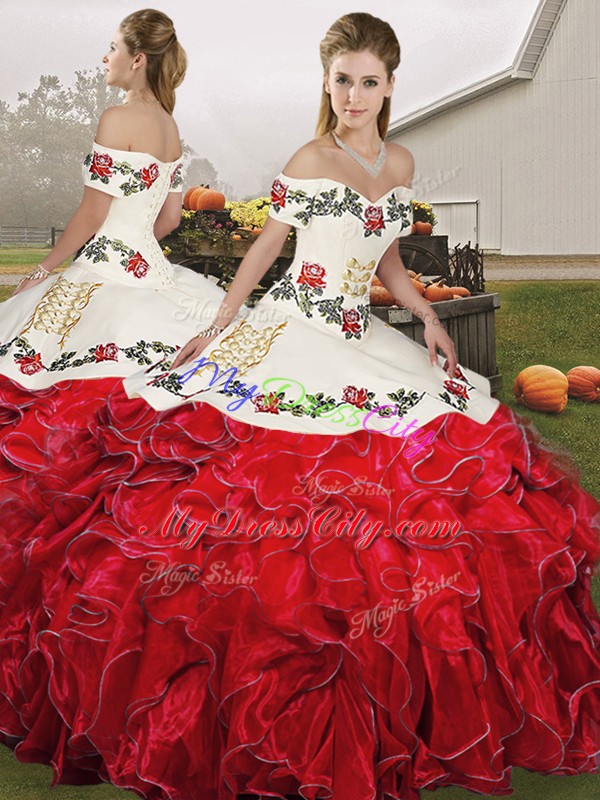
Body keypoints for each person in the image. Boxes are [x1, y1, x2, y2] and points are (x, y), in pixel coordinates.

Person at [1, 11, 599, 800]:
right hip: (289, 328)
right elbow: (264, 248)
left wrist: (421, 316)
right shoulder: (309, 155)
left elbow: (387, 258)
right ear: (327, 83)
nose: (353, 94)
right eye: (342, 79)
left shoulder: (400, 159)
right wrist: (221, 322)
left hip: (364, 335)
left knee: (457, 461)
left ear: (389, 85)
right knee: (252, 489)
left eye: (369, 81)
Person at [0, 8, 226, 531]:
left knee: (38, 368)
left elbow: (92, 213)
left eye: (112, 48)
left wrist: (41, 270)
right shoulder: (170, 127)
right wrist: (135, 247)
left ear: (137, 58)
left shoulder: (116, 118)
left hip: (104, 270)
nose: (105, 58)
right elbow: (168, 218)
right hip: (152, 273)